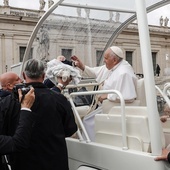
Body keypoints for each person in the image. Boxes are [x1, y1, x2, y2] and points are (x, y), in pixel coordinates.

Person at [9, 58, 77, 170]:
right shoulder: (59, 99)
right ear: (44, 75)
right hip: (54, 162)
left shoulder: (11, 101)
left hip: (23, 162)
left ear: (24, 75)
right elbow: (70, 129)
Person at [71, 46, 137, 140]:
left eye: (106, 58)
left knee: (87, 121)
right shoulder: (112, 66)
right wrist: (81, 65)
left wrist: (107, 96)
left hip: (114, 108)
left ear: (114, 60)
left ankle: (91, 145)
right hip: (105, 106)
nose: (104, 61)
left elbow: (128, 96)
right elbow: (94, 72)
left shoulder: (124, 72)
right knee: (85, 117)